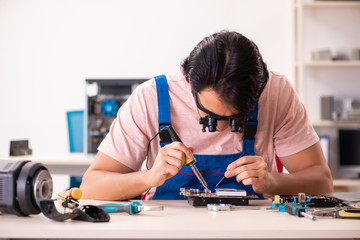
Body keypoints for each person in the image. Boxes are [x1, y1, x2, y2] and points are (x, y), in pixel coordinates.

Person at [80, 30, 333, 200]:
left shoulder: (276, 91)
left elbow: (322, 183)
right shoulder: (151, 98)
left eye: (237, 120)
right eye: (210, 117)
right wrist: (149, 177)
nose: (222, 130)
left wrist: (271, 182)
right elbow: (91, 186)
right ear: (190, 83)